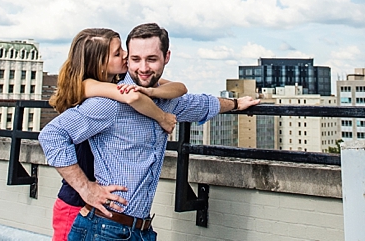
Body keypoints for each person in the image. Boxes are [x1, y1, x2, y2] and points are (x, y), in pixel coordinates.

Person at [39, 23, 259, 241]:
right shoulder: (108, 102)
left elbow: (198, 103)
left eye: (151, 59)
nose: (142, 67)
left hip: (141, 231)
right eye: (134, 59)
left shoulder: (164, 99)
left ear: (166, 57)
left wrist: (235, 103)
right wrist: (86, 188)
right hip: (105, 228)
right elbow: (52, 135)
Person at [47, 28, 189, 241]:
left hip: (101, 208)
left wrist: (152, 91)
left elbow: (179, 88)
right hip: (77, 204)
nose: (124, 54)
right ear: (98, 63)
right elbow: (132, 97)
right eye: (116, 53)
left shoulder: (116, 81)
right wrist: (162, 117)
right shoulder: (89, 86)